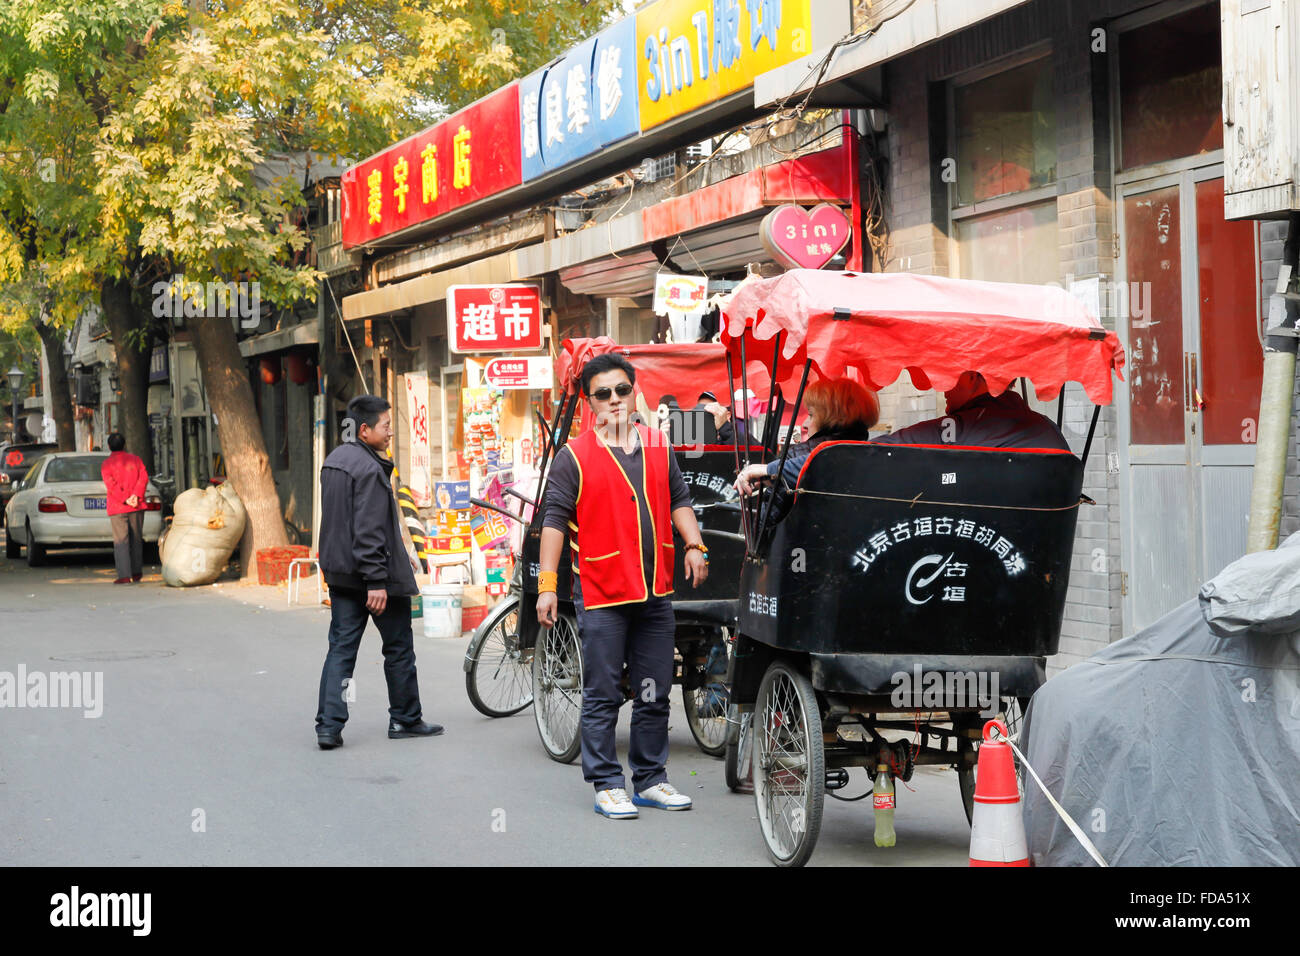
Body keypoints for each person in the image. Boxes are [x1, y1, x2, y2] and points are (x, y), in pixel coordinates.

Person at [537, 353, 710, 820]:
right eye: (602, 394)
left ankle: (651, 779)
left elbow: (679, 499)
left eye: (621, 390)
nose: (614, 400)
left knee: (655, 690)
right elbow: (554, 521)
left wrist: (695, 544)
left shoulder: (658, 445)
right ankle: (606, 782)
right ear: (589, 402)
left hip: (656, 592)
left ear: (634, 392)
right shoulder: (573, 457)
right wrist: (548, 585)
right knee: (603, 692)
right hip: (602, 591)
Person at [315, 395, 442, 750]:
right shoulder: (369, 468)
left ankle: (328, 726)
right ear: (365, 429)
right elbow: (368, 530)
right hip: (373, 577)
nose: (390, 433)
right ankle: (404, 718)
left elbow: (344, 523)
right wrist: (376, 581)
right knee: (399, 647)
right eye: (386, 426)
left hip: (340, 573)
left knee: (340, 650)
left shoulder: (334, 461)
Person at [733, 377, 880, 496]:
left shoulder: (797, 457)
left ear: (835, 419)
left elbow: (769, 519)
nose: (804, 423)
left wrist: (767, 472)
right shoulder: (872, 456)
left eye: (811, 415)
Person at [872, 371, 1069, 450]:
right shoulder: (1048, 430)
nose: (943, 388)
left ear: (972, 377)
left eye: (949, 374)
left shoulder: (957, 429)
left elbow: (876, 450)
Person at [101, 432, 149, 584]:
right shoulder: (136, 460)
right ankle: (136, 573)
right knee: (136, 540)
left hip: (118, 507)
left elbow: (111, 485)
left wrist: (125, 499)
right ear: (124, 444)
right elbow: (144, 477)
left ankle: (124, 575)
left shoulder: (107, 464)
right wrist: (136, 496)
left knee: (121, 541)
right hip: (137, 506)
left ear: (109, 446)